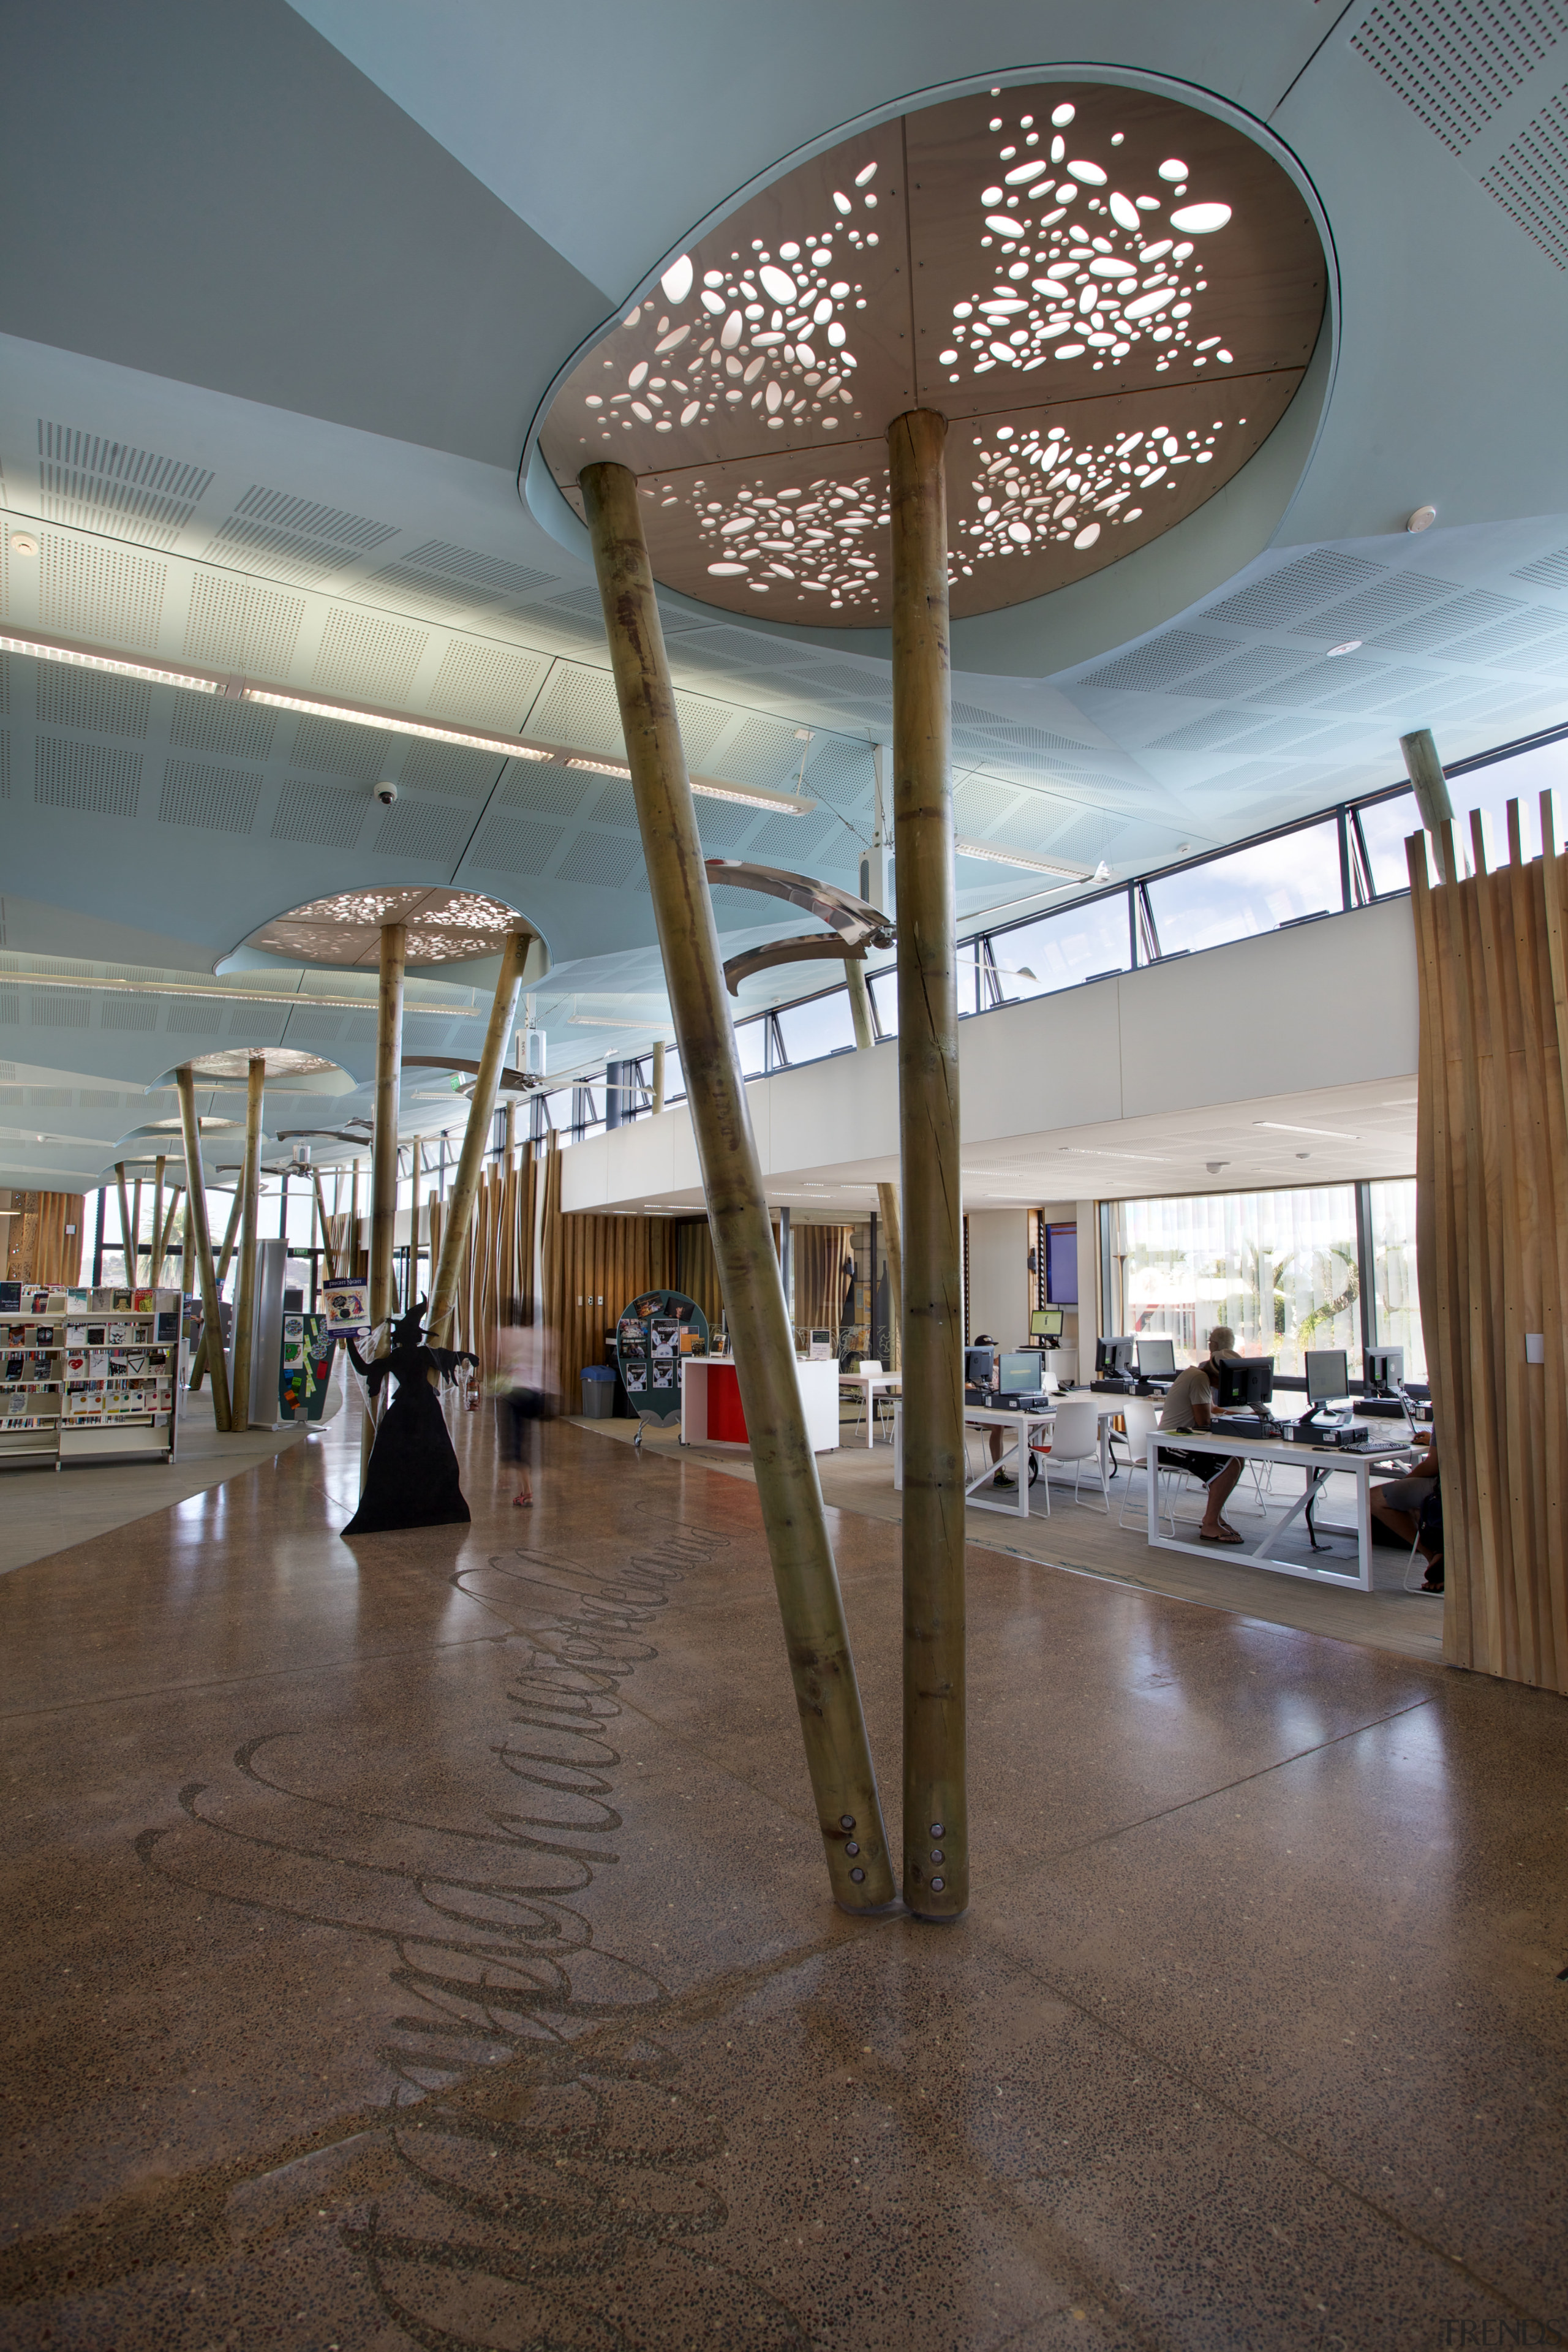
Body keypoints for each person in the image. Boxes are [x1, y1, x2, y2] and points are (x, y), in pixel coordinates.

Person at [1156, 1326, 1245, 1544]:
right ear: (1216, 1377)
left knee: (1237, 1459)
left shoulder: (1198, 1374)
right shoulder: (1199, 1380)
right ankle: (1209, 1524)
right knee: (1230, 1464)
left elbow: (1212, 1409)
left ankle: (1213, 1517)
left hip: (1184, 1439)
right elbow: (1203, 1421)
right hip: (1167, 1442)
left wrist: (1249, 1416)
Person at [492, 1306, 557, 1508]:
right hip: (536, 1395)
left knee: (514, 1441)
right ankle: (518, 1485)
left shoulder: (506, 1334)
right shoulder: (545, 1334)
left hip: (516, 1393)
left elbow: (504, 1364)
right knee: (523, 1439)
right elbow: (550, 1363)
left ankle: (526, 1491)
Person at [1370, 1443, 1441, 1591]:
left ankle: (1433, 1556)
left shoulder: (1443, 1421)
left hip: (1450, 1486)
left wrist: (1405, 1482)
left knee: (1373, 1498)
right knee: (1415, 1500)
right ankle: (1441, 1559)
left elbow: (1432, 1466)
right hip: (1491, 1486)